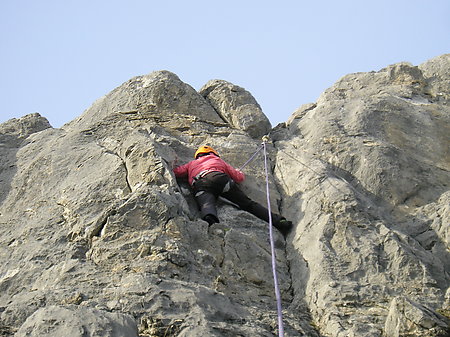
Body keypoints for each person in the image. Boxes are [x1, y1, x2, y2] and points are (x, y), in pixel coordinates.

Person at [173, 145, 292, 237]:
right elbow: (239, 177)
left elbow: (177, 172)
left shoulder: (192, 163)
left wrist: (172, 161)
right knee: (248, 204)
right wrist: (238, 172)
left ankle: (212, 222)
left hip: (201, 183)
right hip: (220, 178)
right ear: (213, 153)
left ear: (198, 156)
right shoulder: (218, 160)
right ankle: (279, 221)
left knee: (206, 205)